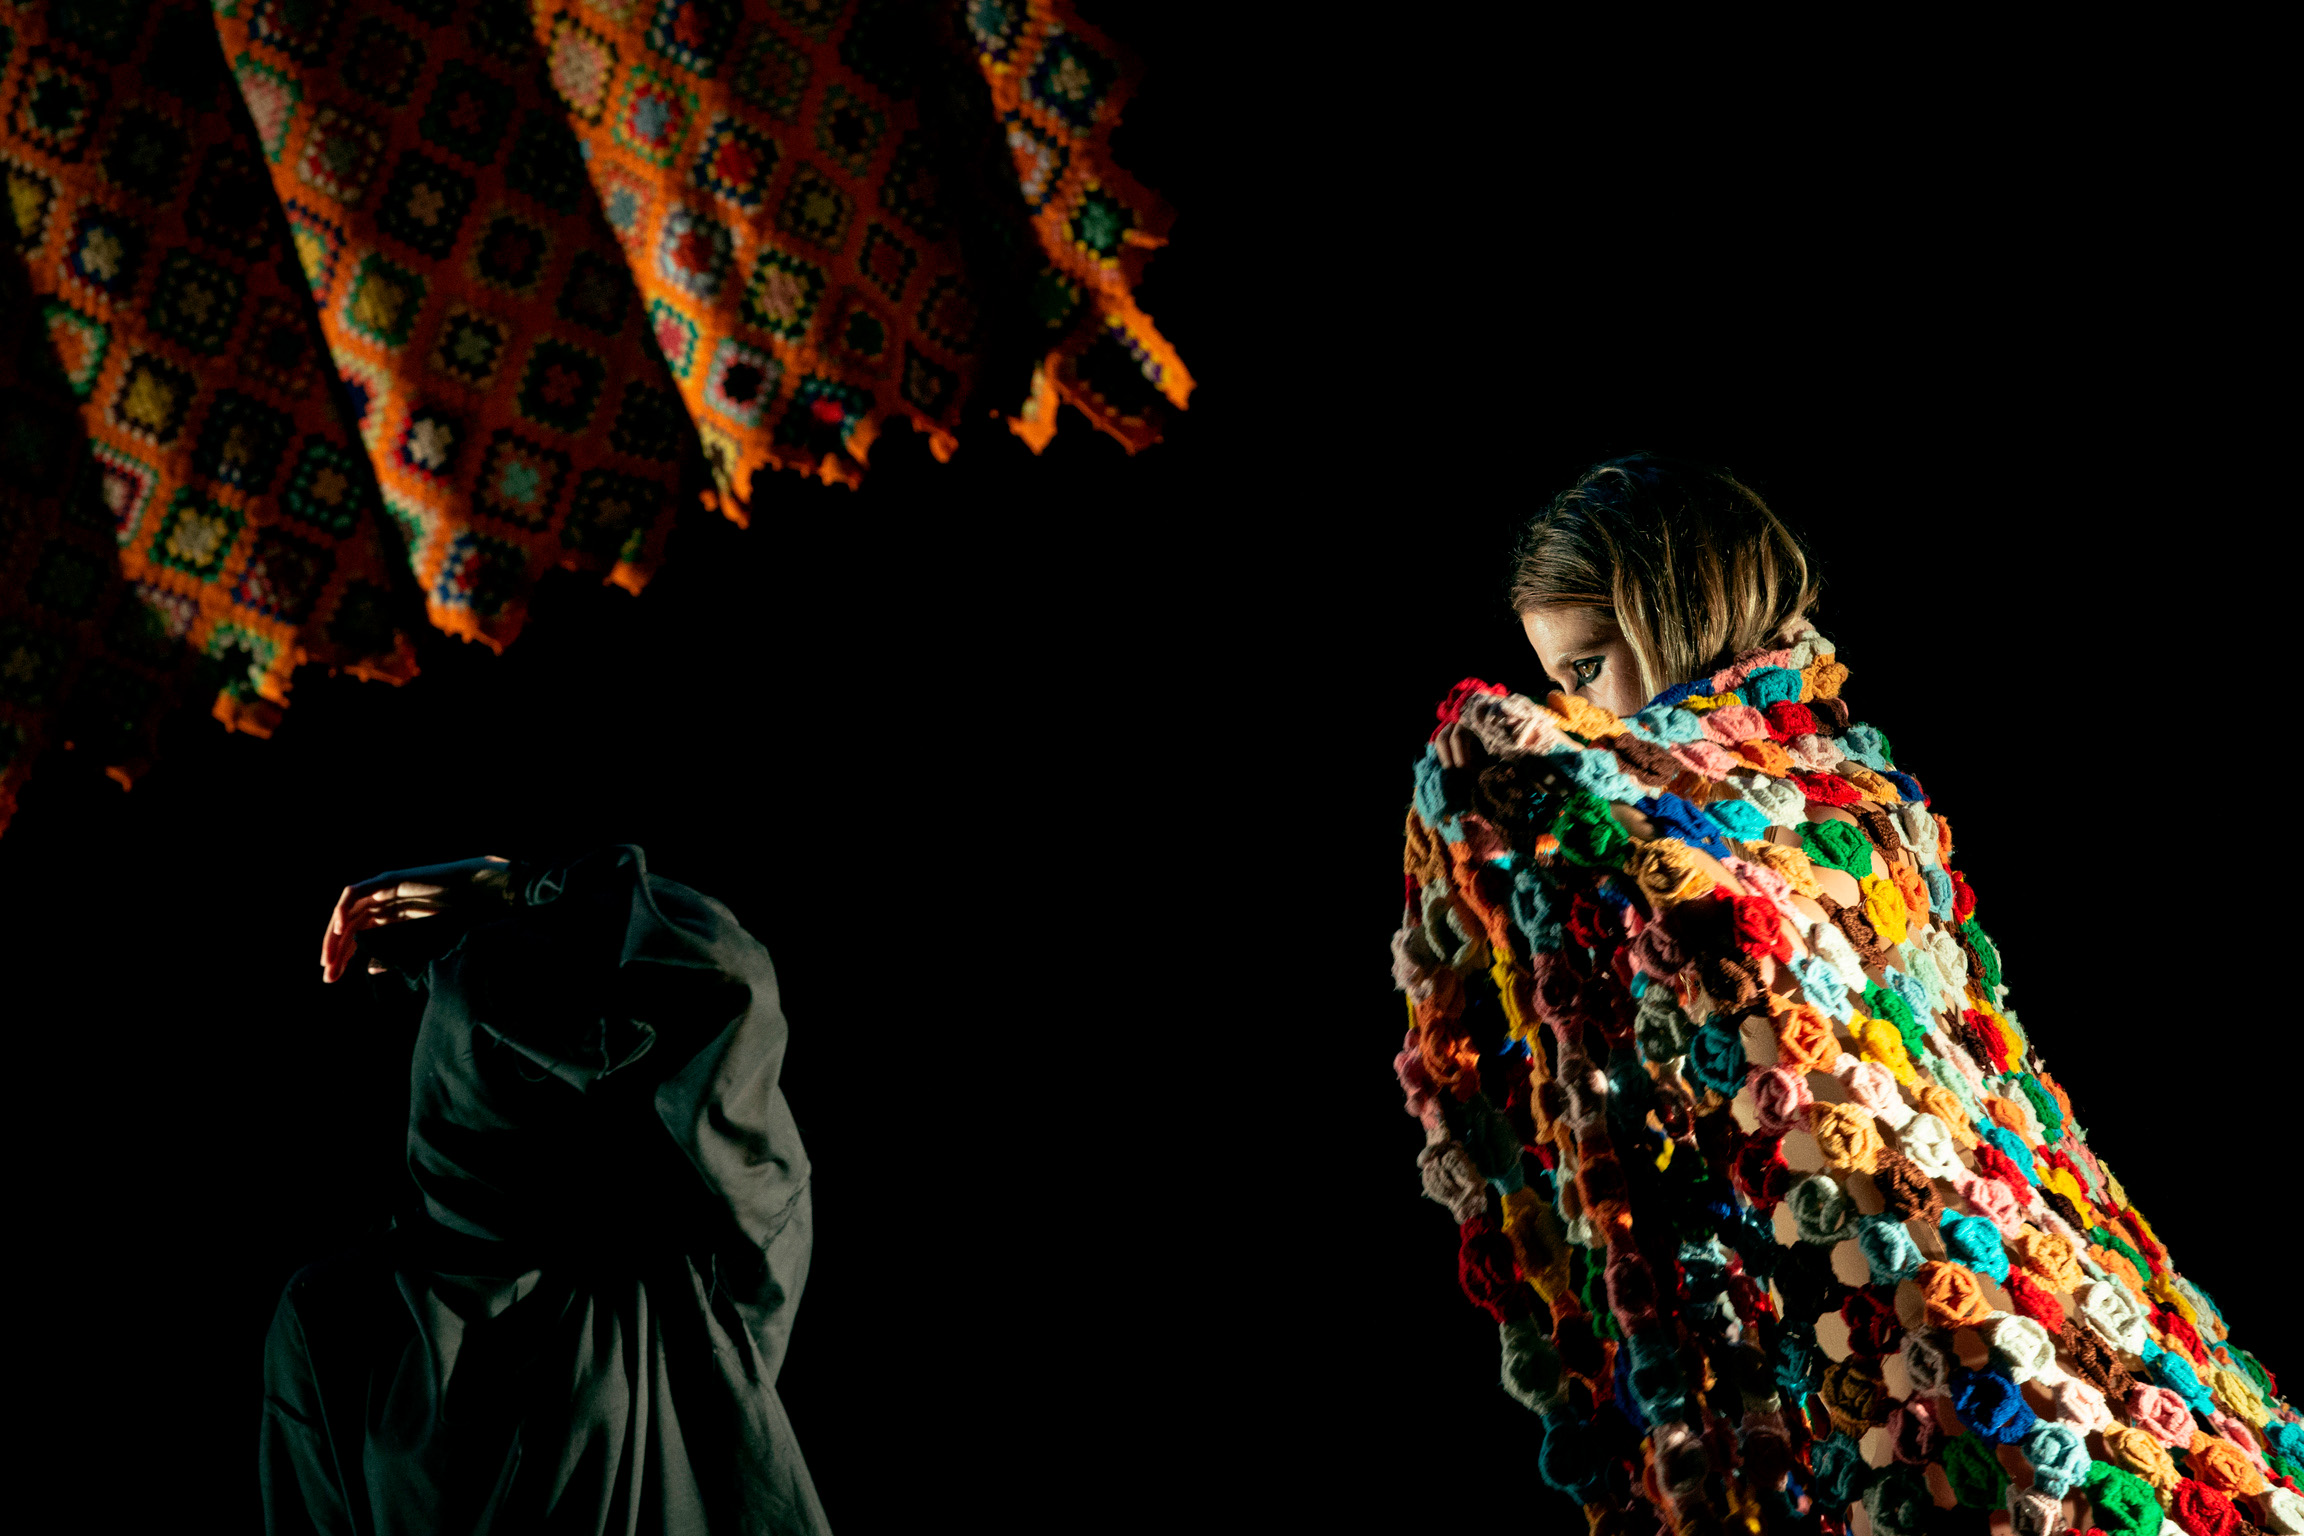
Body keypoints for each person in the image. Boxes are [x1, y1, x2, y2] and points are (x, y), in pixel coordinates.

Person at [1394, 455, 2299, 1535]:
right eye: (1560, 684)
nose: (1577, 708)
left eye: (1588, 668)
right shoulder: (1808, 791)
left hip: (1951, 1262)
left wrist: (1527, 759)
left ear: (1672, 612)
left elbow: (1891, 1026)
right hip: (1846, 1272)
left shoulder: (1818, 796)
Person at [263, 847, 829, 1535]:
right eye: (511, 1048)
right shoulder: (338, 1310)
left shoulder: (670, 1286)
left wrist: (513, 888)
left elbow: (729, 978)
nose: (552, 1078)